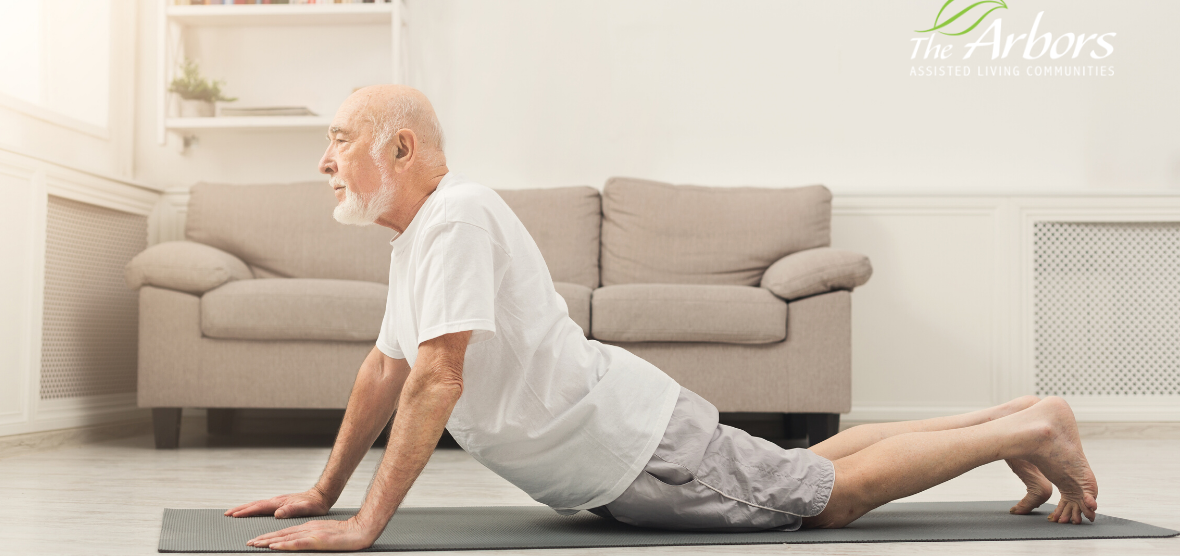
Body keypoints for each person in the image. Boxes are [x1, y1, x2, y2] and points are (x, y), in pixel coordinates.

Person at [225, 85, 1099, 552]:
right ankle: (1019, 418)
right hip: (629, 441)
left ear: (399, 148)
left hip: (635, 452)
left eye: (340, 138)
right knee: (791, 469)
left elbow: (436, 377)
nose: (324, 159)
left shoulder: (454, 218)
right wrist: (325, 489)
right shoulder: (421, 234)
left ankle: (1026, 429)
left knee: (824, 501)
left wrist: (366, 524)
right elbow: (387, 368)